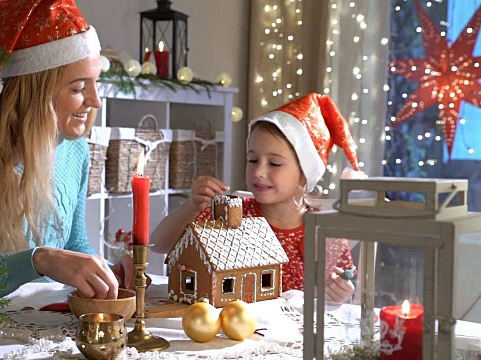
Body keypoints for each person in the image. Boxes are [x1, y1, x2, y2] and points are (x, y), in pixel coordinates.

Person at [0, 0, 134, 299]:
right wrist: (38, 260)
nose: (95, 101)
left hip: (40, 324)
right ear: (35, 91)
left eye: (96, 83)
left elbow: (73, 246)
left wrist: (109, 270)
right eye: (79, 88)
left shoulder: (76, 150)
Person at [151, 93, 362, 303]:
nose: (259, 171)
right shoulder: (231, 214)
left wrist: (341, 293)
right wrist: (192, 206)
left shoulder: (323, 233)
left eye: (274, 164)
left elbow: (339, 288)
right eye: (253, 160)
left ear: (305, 172)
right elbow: (158, 245)